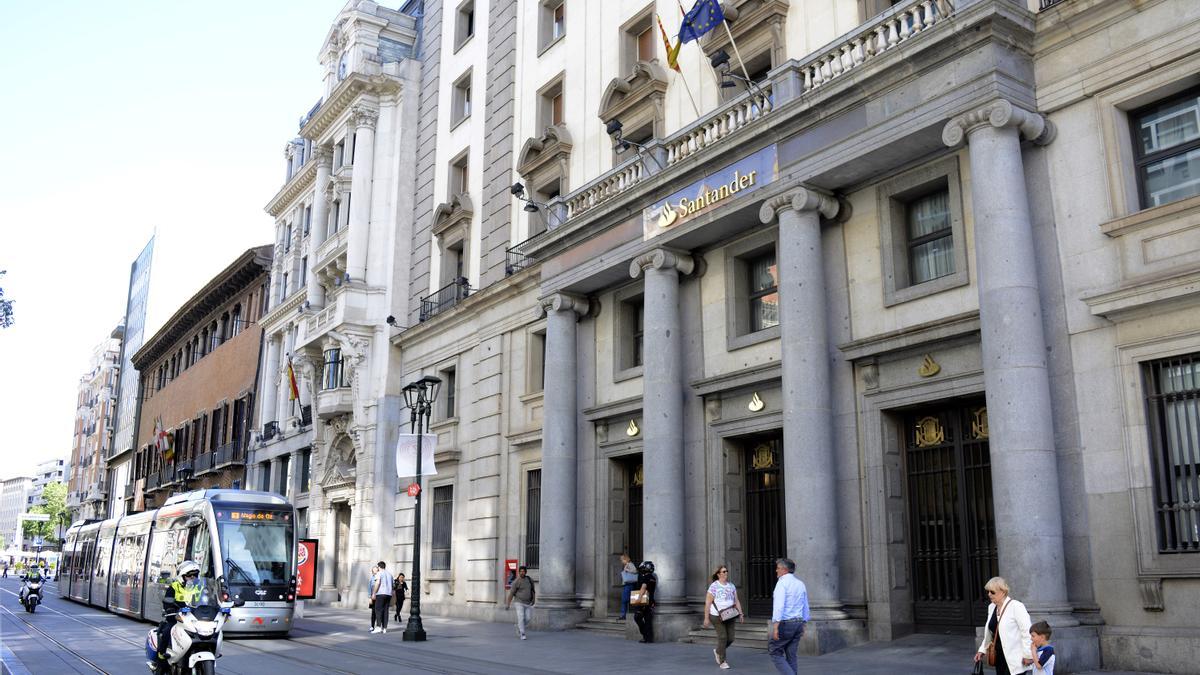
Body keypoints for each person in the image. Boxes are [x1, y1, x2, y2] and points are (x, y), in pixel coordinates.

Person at [148, 560, 202, 674]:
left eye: (194, 575)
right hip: (177, 618)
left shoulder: (200, 587)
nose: (192, 578)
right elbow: (167, 600)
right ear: (182, 576)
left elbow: (208, 598)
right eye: (189, 575)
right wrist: (170, 608)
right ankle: (161, 657)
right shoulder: (174, 586)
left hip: (195, 619)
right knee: (167, 631)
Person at [975, 576, 1033, 675]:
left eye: (992, 592)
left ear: (1003, 591)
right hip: (999, 656)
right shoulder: (992, 607)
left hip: (1015, 658)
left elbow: (1027, 632)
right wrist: (982, 650)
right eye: (988, 591)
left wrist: (1028, 655)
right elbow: (990, 633)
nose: (989, 594)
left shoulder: (1016, 606)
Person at [768, 558, 809, 675]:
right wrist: (804, 622)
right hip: (798, 623)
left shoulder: (782, 583)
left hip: (786, 623)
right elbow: (805, 604)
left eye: (778, 568)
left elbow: (779, 606)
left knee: (775, 652)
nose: (776, 570)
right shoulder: (800, 583)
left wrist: (775, 626)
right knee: (791, 655)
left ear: (784, 569)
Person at [703, 564, 745, 670]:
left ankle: (718, 651)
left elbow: (736, 601)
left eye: (726, 571)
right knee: (722, 637)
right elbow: (708, 603)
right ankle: (722, 661)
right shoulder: (714, 586)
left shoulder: (731, 586)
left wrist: (740, 613)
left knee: (731, 638)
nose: (726, 573)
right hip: (716, 616)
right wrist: (706, 618)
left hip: (730, 615)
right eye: (723, 571)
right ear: (718, 574)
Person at [505, 565, 536, 640]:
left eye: (523, 571)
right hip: (519, 602)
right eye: (520, 571)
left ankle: (519, 626)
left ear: (526, 572)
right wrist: (508, 604)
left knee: (528, 618)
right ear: (519, 572)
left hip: (528, 603)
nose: (522, 573)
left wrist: (534, 600)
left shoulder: (529, 580)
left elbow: (533, 590)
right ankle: (522, 633)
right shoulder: (516, 582)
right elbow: (511, 594)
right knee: (521, 617)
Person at [632, 560, 657, 643]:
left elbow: (643, 588)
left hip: (644, 601)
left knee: (637, 617)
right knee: (648, 620)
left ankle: (645, 635)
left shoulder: (645, 577)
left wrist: (639, 598)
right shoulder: (653, 578)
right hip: (651, 601)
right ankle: (648, 638)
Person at [370, 561, 392, 634]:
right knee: (386, 611)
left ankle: (378, 626)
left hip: (381, 593)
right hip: (389, 594)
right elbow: (393, 587)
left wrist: (374, 593)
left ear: (379, 567)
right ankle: (385, 628)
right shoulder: (390, 575)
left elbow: (377, 583)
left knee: (378, 610)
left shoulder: (379, 573)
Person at [618, 553, 638, 621]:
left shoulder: (630, 564)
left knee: (625, 600)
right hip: (627, 584)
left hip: (629, 584)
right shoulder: (627, 564)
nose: (621, 561)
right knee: (625, 600)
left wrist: (627, 570)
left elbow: (635, 571)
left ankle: (624, 614)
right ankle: (624, 614)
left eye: (622, 560)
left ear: (625, 559)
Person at [367, 564, 379, 631]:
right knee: (373, 612)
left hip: (379, 597)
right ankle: (372, 626)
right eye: (374, 570)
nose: (375, 571)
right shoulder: (372, 579)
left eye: (376, 570)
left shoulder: (380, 578)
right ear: (372, 571)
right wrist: (369, 597)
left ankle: (379, 626)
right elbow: (369, 588)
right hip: (373, 597)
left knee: (379, 612)